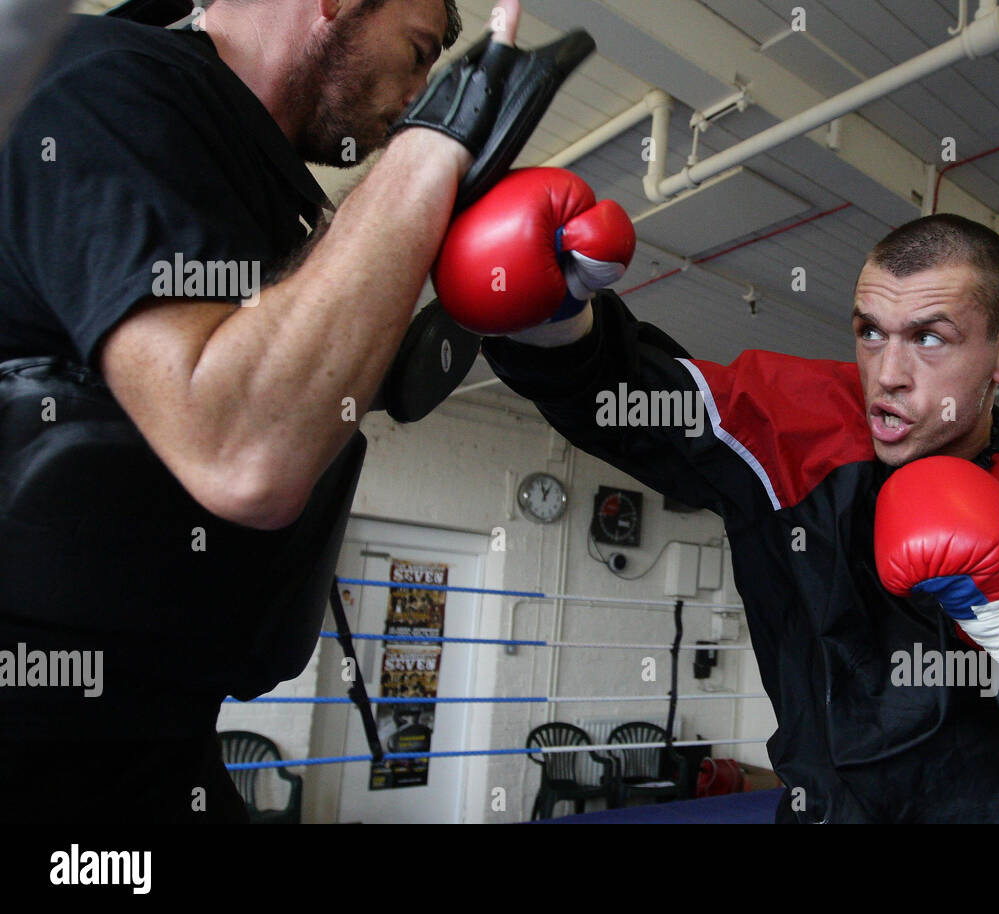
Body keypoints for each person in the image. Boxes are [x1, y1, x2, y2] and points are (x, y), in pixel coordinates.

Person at [442, 168, 999, 822]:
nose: (887, 374)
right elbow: (642, 405)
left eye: (929, 337)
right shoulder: (799, 426)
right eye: (869, 331)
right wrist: (551, 323)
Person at [0, 0, 584, 823]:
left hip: (153, 742)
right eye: (418, 52)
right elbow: (242, 447)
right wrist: (429, 153)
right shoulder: (104, 79)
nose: (417, 93)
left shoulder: (278, 193)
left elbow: (324, 396)